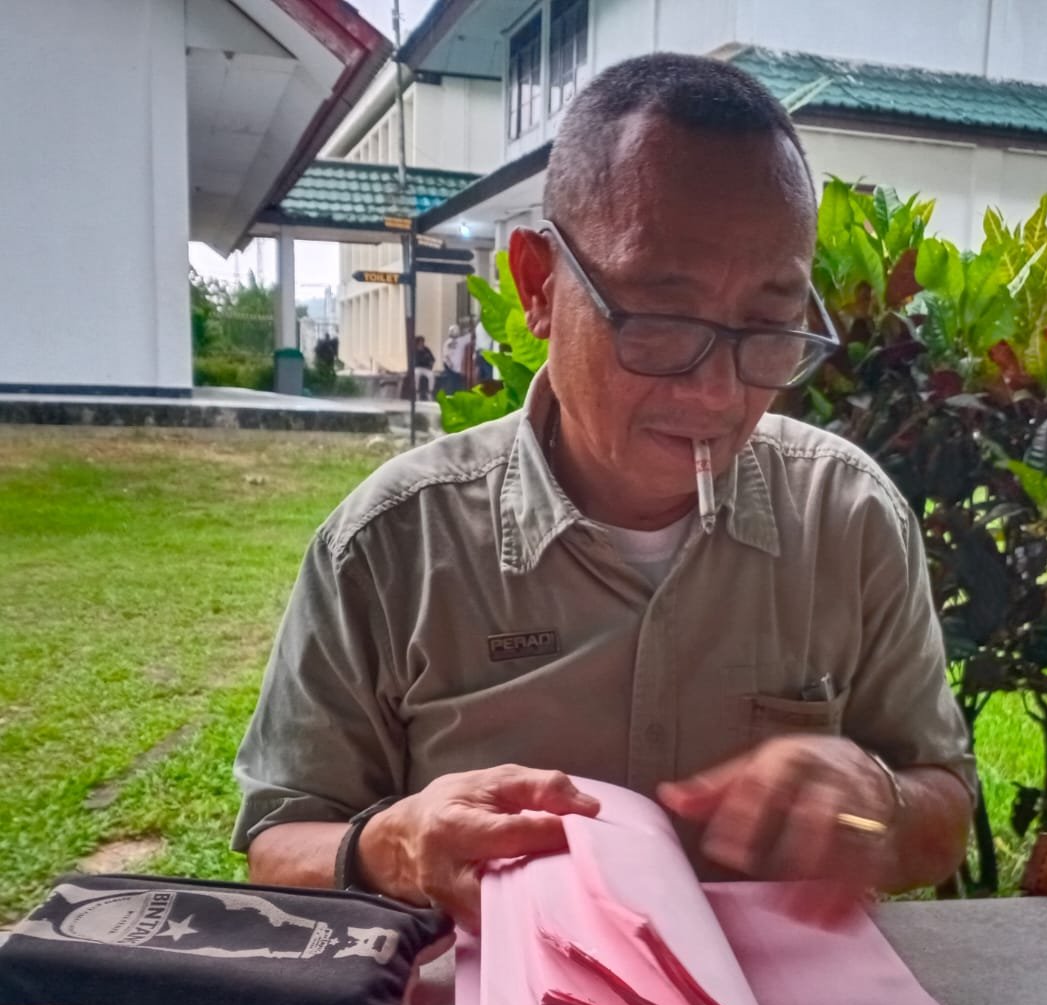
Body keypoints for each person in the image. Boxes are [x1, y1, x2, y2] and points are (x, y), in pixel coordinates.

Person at [232, 53, 976, 932]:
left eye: (769, 327)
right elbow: (278, 841)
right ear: (538, 286)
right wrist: (390, 846)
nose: (716, 393)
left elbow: (942, 816)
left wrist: (875, 805)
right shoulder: (395, 544)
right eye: (660, 320)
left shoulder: (848, 519)